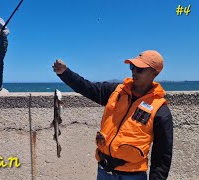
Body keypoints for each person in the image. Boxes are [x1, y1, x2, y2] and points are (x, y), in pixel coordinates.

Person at [52, 50, 173, 180]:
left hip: (133, 175)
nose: (134, 71)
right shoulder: (115, 91)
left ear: (154, 73)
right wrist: (65, 73)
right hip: (104, 171)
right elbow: (87, 88)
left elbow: (162, 154)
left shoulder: (160, 109)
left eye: (140, 69)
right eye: (132, 67)